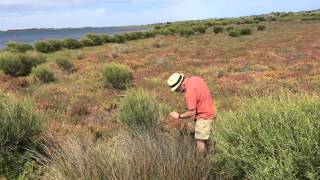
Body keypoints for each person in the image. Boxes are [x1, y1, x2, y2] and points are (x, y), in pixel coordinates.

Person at [167, 73, 216, 153]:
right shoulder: (196, 78)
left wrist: (179, 116)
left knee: (200, 141)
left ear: (181, 85)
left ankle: (200, 162)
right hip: (211, 112)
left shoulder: (189, 92)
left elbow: (192, 112)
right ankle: (212, 157)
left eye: (176, 89)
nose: (177, 91)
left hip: (203, 117)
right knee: (209, 140)